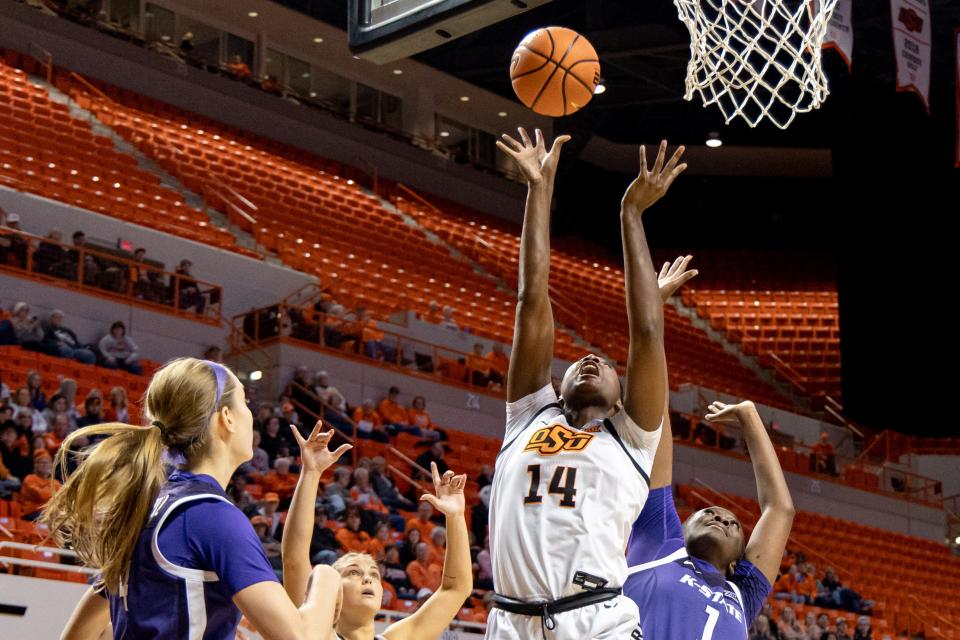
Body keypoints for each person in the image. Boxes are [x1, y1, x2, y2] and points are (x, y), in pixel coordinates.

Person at [485, 130, 674, 639]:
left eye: (607, 365)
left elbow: (649, 331)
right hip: (510, 623)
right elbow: (531, 301)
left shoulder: (633, 437)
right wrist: (538, 190)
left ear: (622, 399)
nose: (591, 359)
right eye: (579, 362)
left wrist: (630, 214)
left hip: (598, 622)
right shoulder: (529, 414)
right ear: (556, 385)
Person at [43, 358, 336, 639]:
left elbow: (77, 635)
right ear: (227, 418)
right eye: (244, 402)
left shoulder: (146, 506)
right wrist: (328, 578)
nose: (251, 414)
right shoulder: (209, 516)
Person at [624, 362, 795, 640]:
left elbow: (780, 510)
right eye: (709, 513)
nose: (721, 519)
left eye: (733, 524)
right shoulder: (661, 544)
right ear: (683, 529)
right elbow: (655, 425)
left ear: (735, 563)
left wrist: (749, 417)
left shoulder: (743, 594)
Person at [282, 421, 473, 640]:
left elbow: (456, 589)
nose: (368, 579)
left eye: (374, 574)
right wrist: (311, 473)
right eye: (353, 572)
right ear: (330, 593)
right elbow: (294, 560)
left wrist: (456, 517)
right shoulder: (317, 633)